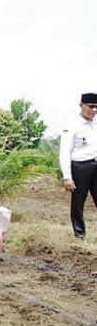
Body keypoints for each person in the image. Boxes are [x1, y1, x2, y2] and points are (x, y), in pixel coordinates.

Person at [59, 92, 97, 239]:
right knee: (78, 204)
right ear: (81, 105)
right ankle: (80, 234)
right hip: (80, 167)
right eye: (91, 107)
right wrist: (67, 177)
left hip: (96, 164)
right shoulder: (72, 125)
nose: (94, 110)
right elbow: (65, 152)